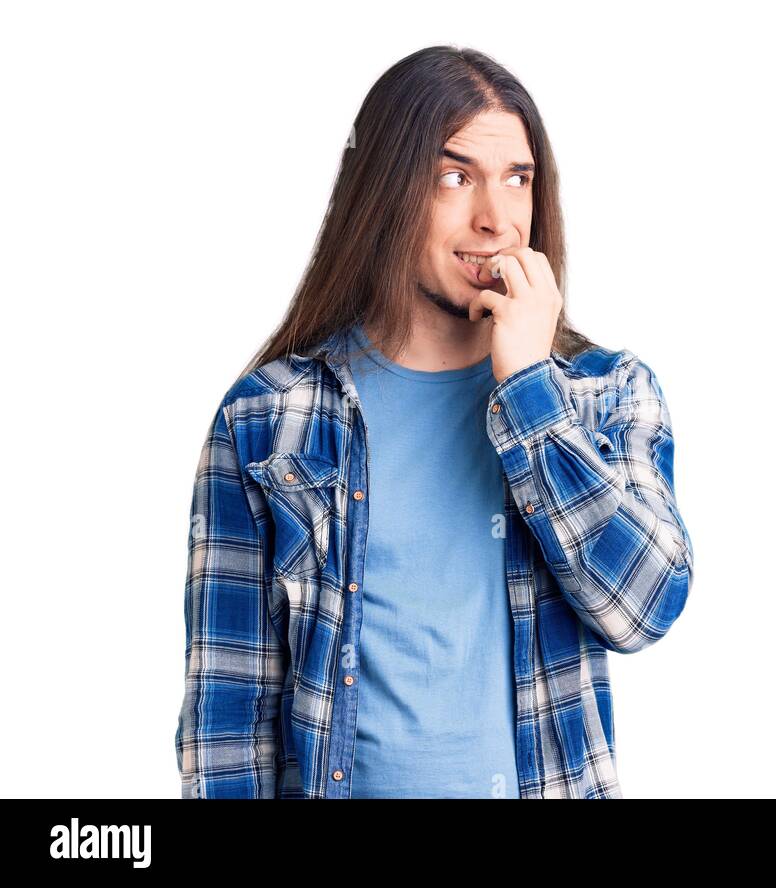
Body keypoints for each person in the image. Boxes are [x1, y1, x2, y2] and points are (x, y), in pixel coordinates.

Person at [175, 46, 694, 799]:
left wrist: (530, 390)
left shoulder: (604, 393)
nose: (495, 219)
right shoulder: (267, 417)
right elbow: (228, 717)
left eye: (518, 179)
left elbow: (643, 607)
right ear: (385, 192)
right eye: (454, 177)